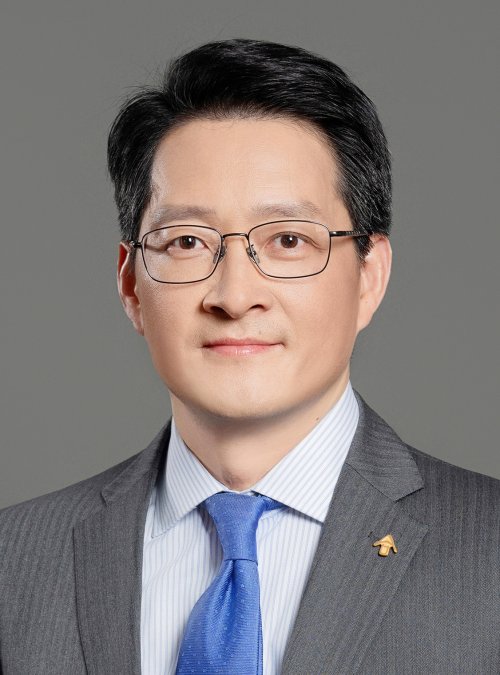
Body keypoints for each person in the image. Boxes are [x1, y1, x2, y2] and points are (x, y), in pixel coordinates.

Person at [0, 38, 498, 675]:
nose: (235, 296)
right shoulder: (16, 560)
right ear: (130, 284)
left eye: (288, 240)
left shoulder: (488, 550)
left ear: (369, 277)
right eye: (186, 241)